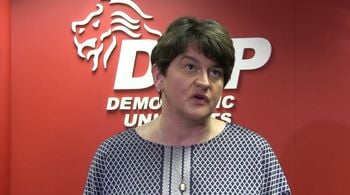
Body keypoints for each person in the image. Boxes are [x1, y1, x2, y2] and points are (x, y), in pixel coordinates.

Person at [83, 16, 291, 194]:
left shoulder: (254, 152)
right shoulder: (112, 156)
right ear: (159, 76)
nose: (204, 82)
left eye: (215, 72)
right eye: (190, 67)